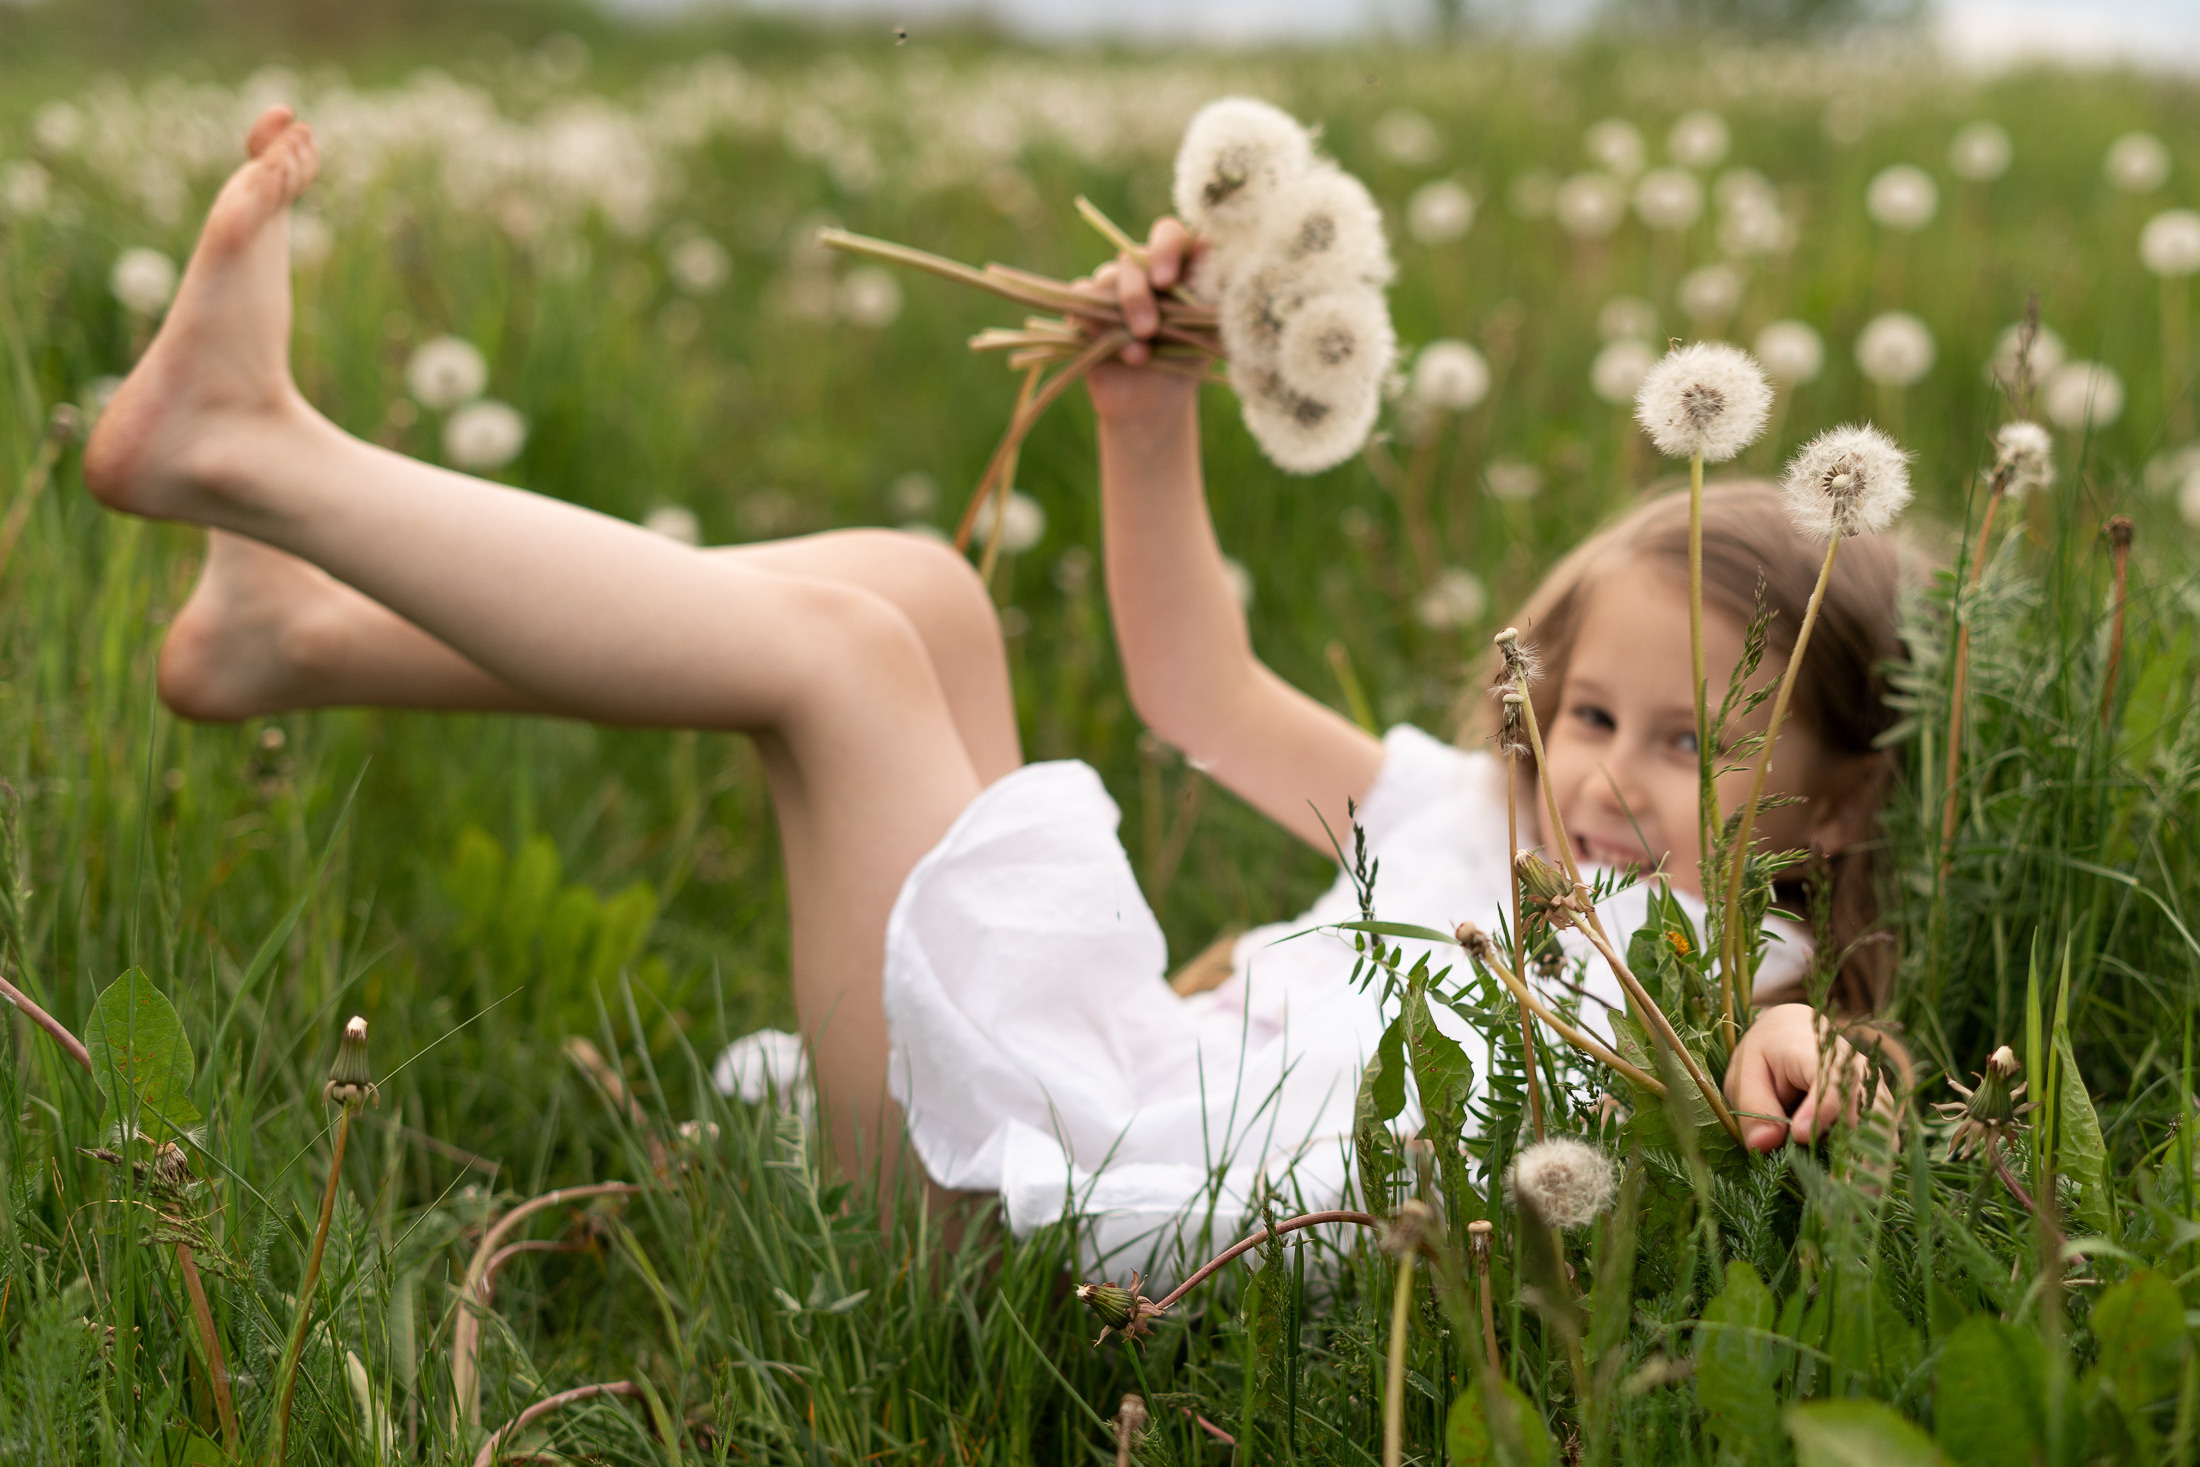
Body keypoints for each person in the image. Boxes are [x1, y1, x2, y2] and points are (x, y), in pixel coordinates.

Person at [87, 109, 1900, 1278]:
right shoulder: (1463, 820)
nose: (1610, 778)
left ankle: (264, 457)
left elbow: (1823, 1074)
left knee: (838, 662)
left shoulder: (1701, 982)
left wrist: (1818, 1058)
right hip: (1069, 1093)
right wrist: (1144, 421)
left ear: (1823, 812)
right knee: (919, 592)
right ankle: (293, 640)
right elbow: (1198, 690)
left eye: (1696, 746)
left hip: (1029, 1225)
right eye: (1593, 715)